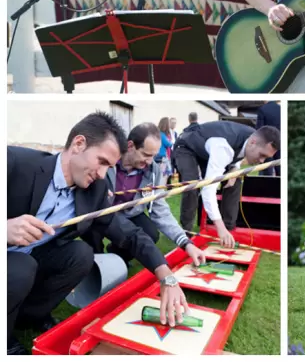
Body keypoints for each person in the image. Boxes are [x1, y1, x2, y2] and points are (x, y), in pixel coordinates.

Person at [7, 113, 190, 355]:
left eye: (110, 167)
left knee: (81, 254)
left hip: (30, 258)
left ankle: (28, 316)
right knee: (21, 268)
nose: (104, 174)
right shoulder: (15, 162)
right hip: (14, 262)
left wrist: (166, 276)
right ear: (78, 144)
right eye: (102, 162)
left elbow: (129, 233)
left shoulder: (94, 190)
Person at [83, 123, 208, 267]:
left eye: (153, 156)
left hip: (130, 213)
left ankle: (118, 255)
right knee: (90, 230)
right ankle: (96, 260)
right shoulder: (107, 159)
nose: (149, 161)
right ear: (130, 146)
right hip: (102, 211)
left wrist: (186, 243)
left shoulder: (153, 170)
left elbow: (160, 210)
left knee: (151, 234)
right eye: (146, 155)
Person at [174, 121, 280, 247]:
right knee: (192, 187)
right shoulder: (224, 148)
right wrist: (220, 228)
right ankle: (187, 235)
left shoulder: (254, 138)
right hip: (187, 147)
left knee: (235, 180)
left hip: (209, 152)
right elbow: (208, 190)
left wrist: (235, 168)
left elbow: (239, 151)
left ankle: (228, 231)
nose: (262, 161)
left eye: (266, 158)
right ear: (253, 142)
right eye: (262, 155)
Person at [257, 101, 281, 176]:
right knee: (279, 167)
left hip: (267, 142)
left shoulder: (263, 109)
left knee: (266, 168)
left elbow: (259, 129)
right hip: (280, 142)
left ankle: (266, 186)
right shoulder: (280, 109)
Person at [156, 117, 173, 186]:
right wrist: (171, 141)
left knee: (160, 174)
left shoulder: (157, 133)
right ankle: (161, 189)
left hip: (156, 157)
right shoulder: (162, 135)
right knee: (166, 173)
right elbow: (168, 144)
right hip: (162, 157)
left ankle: (160, 188)